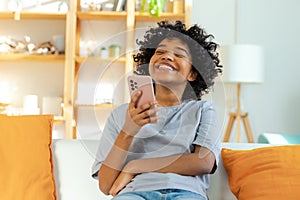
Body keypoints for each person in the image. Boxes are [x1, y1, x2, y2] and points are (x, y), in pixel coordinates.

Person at [92, 20, 223, 200]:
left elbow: (204, 162)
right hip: (134, 193)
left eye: (179, 54)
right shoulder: (120, 115)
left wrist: (135, 167)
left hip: (185, 193)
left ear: (193, 74)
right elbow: (106, 186)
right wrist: (128, 131)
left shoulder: (203, 110)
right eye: (160, 51)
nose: (167, 56)